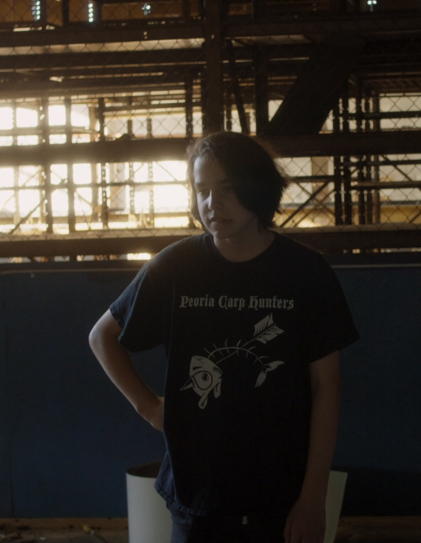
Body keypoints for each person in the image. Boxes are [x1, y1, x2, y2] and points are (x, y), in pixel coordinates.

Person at [88, 131, 359, 543]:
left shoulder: (306, 272)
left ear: (257, 188)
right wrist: (148, 406)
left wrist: (312, 498)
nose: (212, 204)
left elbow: (327, 387)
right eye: (202, 191)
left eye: (227, 189)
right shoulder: (175, 266)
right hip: (199, 494)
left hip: (281, 493)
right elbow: (101, 336)